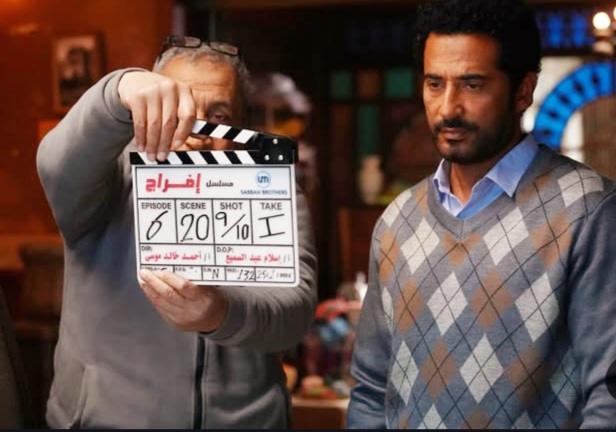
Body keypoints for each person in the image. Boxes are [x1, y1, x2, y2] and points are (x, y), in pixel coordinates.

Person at [347, 0, 616, 428]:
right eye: (435, 84)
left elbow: (609, 397)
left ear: (523, 91)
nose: (448, 108)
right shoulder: (397, 221)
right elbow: (371, 391)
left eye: (472, 85)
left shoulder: (589, 211)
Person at [37, 36, 317, 428]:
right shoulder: (106, 180)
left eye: (218, 115)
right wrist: (118, 90)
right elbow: (56, 163)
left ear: (242, 125)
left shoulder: (271, 190)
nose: (197, 131)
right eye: (177, 108)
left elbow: (294, 313)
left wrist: (220, 313)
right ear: (147, 111)